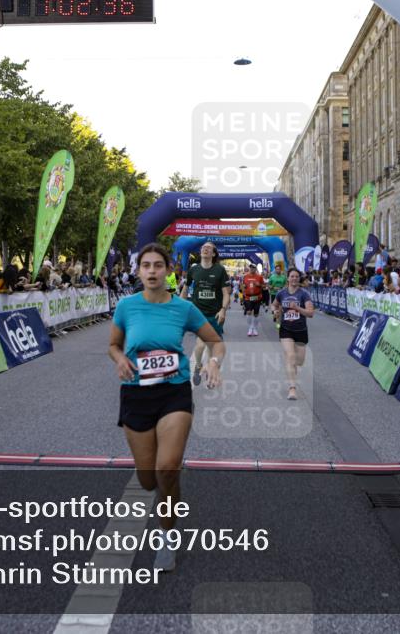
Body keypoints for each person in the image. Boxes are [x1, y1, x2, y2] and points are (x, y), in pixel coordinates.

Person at [109, 243, 224, 572]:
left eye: (158, 265)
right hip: (136, 394)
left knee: (167, 467)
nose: (152, 271)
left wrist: (214, 362)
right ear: (139, 270)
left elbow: (216, 341)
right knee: (148, 480)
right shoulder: (127, 307)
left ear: (169, 270)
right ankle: (166, 485)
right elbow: (113, 345)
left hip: (173, 392)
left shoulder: (183, 308)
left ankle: (166, 537)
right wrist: (119, 360)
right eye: (146, 265)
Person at [181, 242, 230, 386]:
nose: (205, 248)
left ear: (213, 254)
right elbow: (185, 289)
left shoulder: (220, 270)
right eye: (203, 247)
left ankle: (209, 370)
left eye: (209, 248)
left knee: (211, 346)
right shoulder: (194, 269)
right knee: (201, 344)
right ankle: (197, 366)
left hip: (215, 314)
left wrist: (223, 310)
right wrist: (180, 307)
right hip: (198, 313)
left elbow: (226, 293)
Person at [272, 268, 315, 401]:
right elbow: (274, 305)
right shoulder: (281, 293)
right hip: (286, 329)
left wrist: (297, 308)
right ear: (288, 278)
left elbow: (310, 313)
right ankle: (292, 388)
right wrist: (275, 312)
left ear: (299, 279)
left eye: (297, 277)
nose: (294, 279)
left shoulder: (304, 294)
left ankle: (292, 372)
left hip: (301, 330)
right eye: (292, 276)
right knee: (290, 356)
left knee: (299, 361)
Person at [242, 264, 266, 337]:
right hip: (248, 297)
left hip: (257, 297)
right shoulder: (245, 276)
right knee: (248, 312)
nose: (252, 269)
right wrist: (243, 289)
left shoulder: (259, 277)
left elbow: (264, 286)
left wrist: (259, 285)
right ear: (249, 268)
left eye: (253, 268)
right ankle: (250, 327)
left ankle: (254, 328)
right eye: (251, 268)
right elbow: (242, 285)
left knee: (256, 314)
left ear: (255, 269)